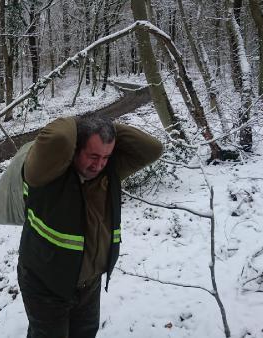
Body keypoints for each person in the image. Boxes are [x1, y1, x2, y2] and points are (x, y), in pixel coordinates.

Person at [18, 115, 163, 338]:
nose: (99, 165)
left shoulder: (107, 173)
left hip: (89, 285)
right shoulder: (46, 174)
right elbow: (58, 137)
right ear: (75, 148)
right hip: (46, 285)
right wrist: (81, 124)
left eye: (106, 156)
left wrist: (105, 126)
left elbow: (153, 148)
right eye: (93, 156)